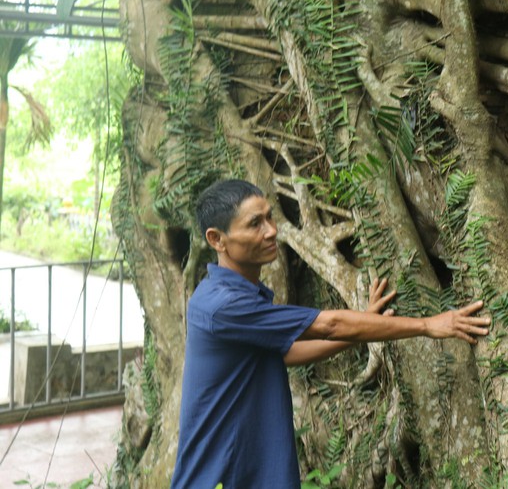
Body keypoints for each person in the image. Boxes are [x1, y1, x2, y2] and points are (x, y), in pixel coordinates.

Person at [170, 179, 491, 488]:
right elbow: (329, 324)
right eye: (254, 224)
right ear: (217, 239)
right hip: (218, 478)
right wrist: (429, 325)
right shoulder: (222, 306)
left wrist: (364, 326)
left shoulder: (232, 295)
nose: (271, 231)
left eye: (270, 217)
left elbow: (286, 353)